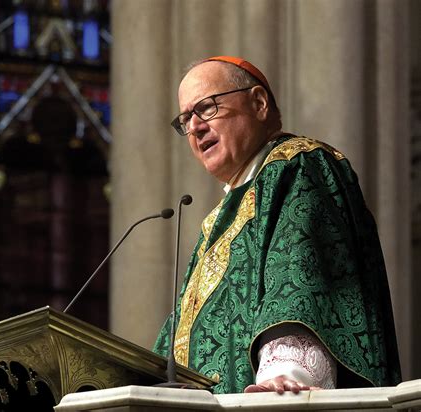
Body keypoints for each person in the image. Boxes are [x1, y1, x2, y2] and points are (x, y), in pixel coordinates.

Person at [153, 56, 401, 394]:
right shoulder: (218, 220)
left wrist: (288, 375)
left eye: (207, 108)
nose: (195, 127)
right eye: (186, 118)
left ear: (258, 102)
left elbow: (298, 273)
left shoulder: (298, 164)